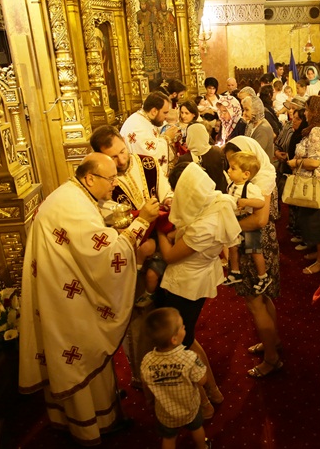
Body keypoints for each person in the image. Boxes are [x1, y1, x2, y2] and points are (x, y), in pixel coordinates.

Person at [19, 153, 160, 445]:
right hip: (68, 297)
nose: (114, 184)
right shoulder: (73, 206)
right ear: (90, 178)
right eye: (110, 178)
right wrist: (141, 223)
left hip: (62, 286)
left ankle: (100, 414)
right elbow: (108, 257)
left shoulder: (73, 195)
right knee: (82, 351)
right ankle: (88, 424)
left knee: (80, 352)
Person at [89, 126, 173, 384]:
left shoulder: (147, 163)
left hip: (161, 243)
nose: (121, 160)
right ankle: (142, 373)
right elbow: (106, 220)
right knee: (137, 317)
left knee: (167, 308)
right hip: (129, 254)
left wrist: (168, 202)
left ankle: (171, 362)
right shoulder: (101, 181)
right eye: (113, 157)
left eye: (123, 151)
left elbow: (166, 193)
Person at [156, 162, 241, 417]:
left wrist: (159, 230)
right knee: (189, 338)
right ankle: (213, 389)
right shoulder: (216, 201)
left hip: (185, 285)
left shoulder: (205, 227)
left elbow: (170, 255)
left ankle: (203, 400)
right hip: (200, 276)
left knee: (181, 345)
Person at [223, 136, 282, 378]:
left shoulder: (261, 181)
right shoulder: (256, 178)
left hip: (254, 242)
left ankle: (272, 359)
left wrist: (227, 227)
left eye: (235, 165)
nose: (231, 171)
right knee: (262, 298)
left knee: (255, 302)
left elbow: (260, 219)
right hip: (257, 239)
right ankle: (272, 342)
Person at [141, 308, 211, 449]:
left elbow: (145, 383)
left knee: (168, 438)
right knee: (197, 428)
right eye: (181, 326)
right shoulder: (190, 358)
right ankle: (202, 446)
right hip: (190, 408)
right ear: (174, 339)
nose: (184, 326)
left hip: (165, 413)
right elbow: (202, 381)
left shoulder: (147, 361)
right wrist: (199, 363)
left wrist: (149, 399)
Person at [287, 96, 320, 274]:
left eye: (308, 110)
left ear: (316, 112)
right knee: (315, 219)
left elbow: (314, 162)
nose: (306, 114)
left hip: (318, 183)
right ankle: (319, 254)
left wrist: (295, 163)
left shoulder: (318, 130)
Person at [222, 151, 270, 292]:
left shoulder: (250, 188)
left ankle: (263, 276)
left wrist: (246, 202)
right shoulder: (231, 184)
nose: (228, 170)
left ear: (246, 174)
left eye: (233, 168)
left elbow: (261, 202)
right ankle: (235, 271)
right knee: (233, 246)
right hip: (234, 218)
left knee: (254, 249)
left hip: (247, 219)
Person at [121, 91, 176, 171]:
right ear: (154, 111)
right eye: (165, 113)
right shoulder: (137, 127)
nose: (166, 117)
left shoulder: (143, 120)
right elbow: (149, 156)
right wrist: (167, 138)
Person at [242, 96, 274, 161]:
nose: (244, 113)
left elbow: (255, 154)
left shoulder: (263, 129)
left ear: (256, 110)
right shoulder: (251, 124)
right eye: (244, 110)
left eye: (247, 110)